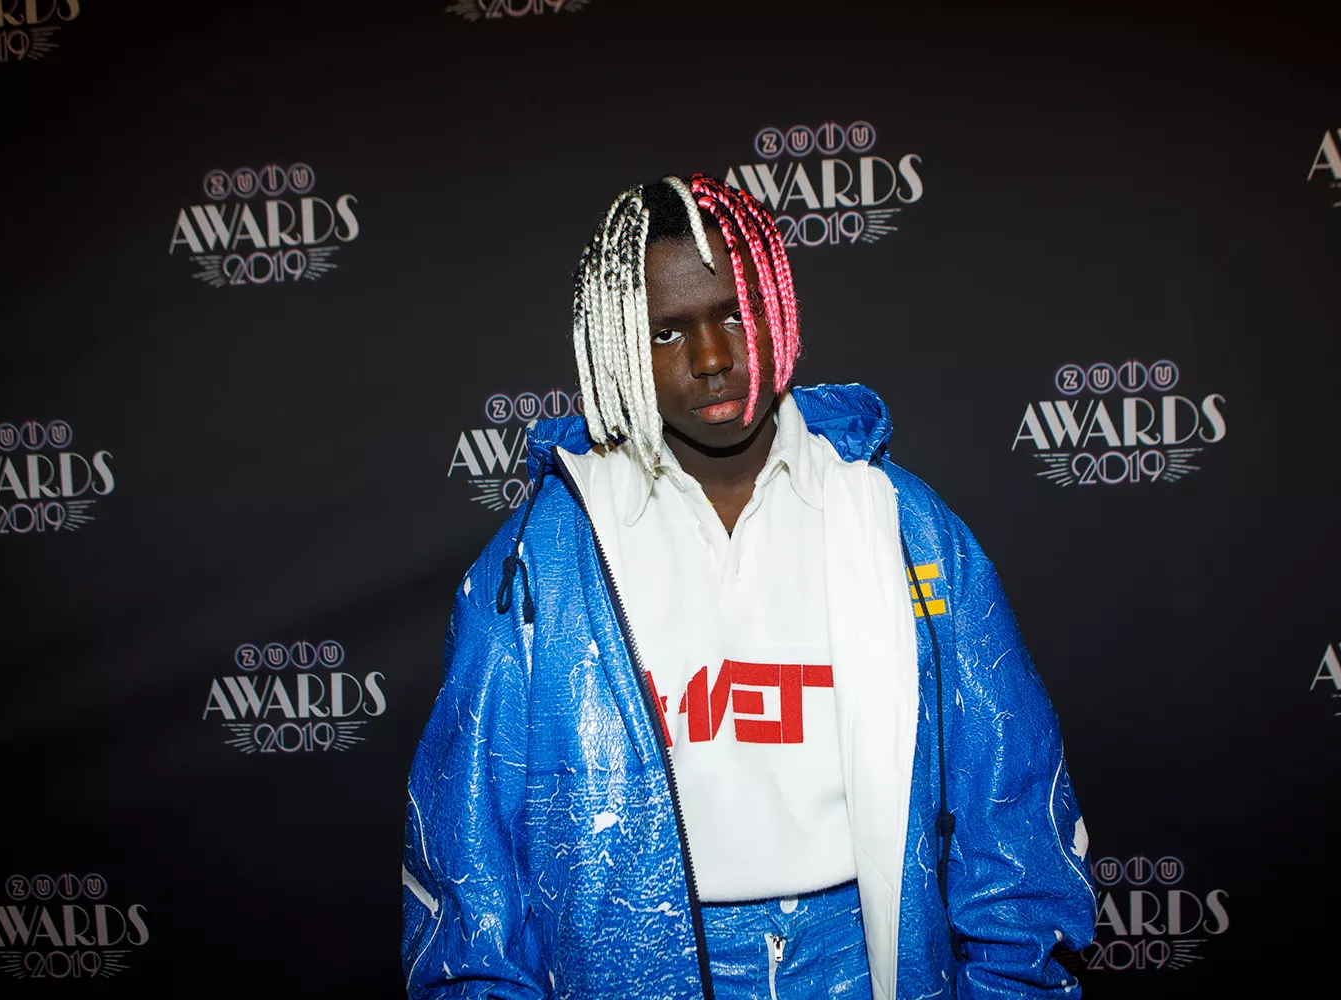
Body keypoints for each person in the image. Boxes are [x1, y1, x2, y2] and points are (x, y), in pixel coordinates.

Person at [402, 175, 1096, 999]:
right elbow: (471, 874)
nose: (712, 359)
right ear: (617, 346)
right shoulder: (540, 560)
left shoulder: (903, 525)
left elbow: (1011, 824)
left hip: (867, 962)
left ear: (778, 310)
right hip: (634, 973)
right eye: (666, 332)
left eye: (735, 314)